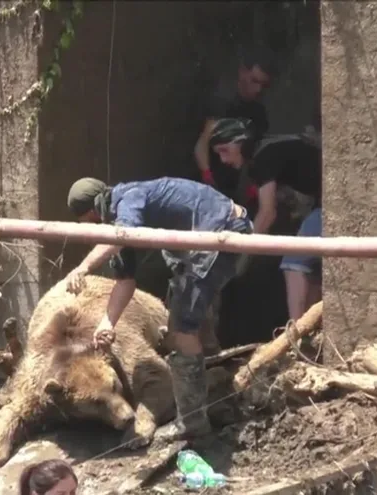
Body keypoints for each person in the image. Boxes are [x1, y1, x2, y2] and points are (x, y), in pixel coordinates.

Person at [63, 176, 251, 443]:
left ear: (93, 213)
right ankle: (200, 396)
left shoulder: (128, 200)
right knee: (180, 319)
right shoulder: (119, 227)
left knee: (183, 330)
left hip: (222, 229)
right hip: (197, 242)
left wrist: (83, 267)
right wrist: (107, 323)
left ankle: (193, 421)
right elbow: (125, 281)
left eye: (90, 225)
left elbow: (121, 235)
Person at [210, 117, 322, 321]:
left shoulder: (262, 157)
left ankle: (297, 335)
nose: (223, 160)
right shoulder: (270, 147)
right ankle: (313, 331)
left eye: (224, 150)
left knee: (294, 263)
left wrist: (241, 259)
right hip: (325, 202)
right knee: (313, 271)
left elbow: (267, 213)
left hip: (328, 205)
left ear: (241, 142)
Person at [194, 50, 275, 200]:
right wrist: (208, 179)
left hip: (234, 187)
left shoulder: (259, 113)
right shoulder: (223, 101)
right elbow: (202, 146)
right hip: (206, 184)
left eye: (263, 85)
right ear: (242, 72)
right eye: (254, 81)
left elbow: (253, 156)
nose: (258, 89)